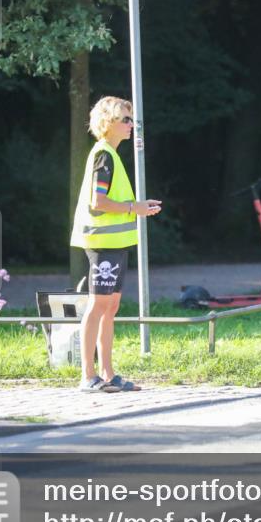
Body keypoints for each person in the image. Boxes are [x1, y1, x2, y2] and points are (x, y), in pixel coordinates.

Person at [70, 96, 162, 392]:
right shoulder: (103, 155)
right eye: (125, 119)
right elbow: (99, 202)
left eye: (131, 119)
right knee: (98, 306)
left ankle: (109, 375)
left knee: (111, 307)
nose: (130, 125)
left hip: (115, 243)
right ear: (107, 123)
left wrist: (136, 207)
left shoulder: (111, 154)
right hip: (102, 243)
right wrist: (134, 207)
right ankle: (88, 376)